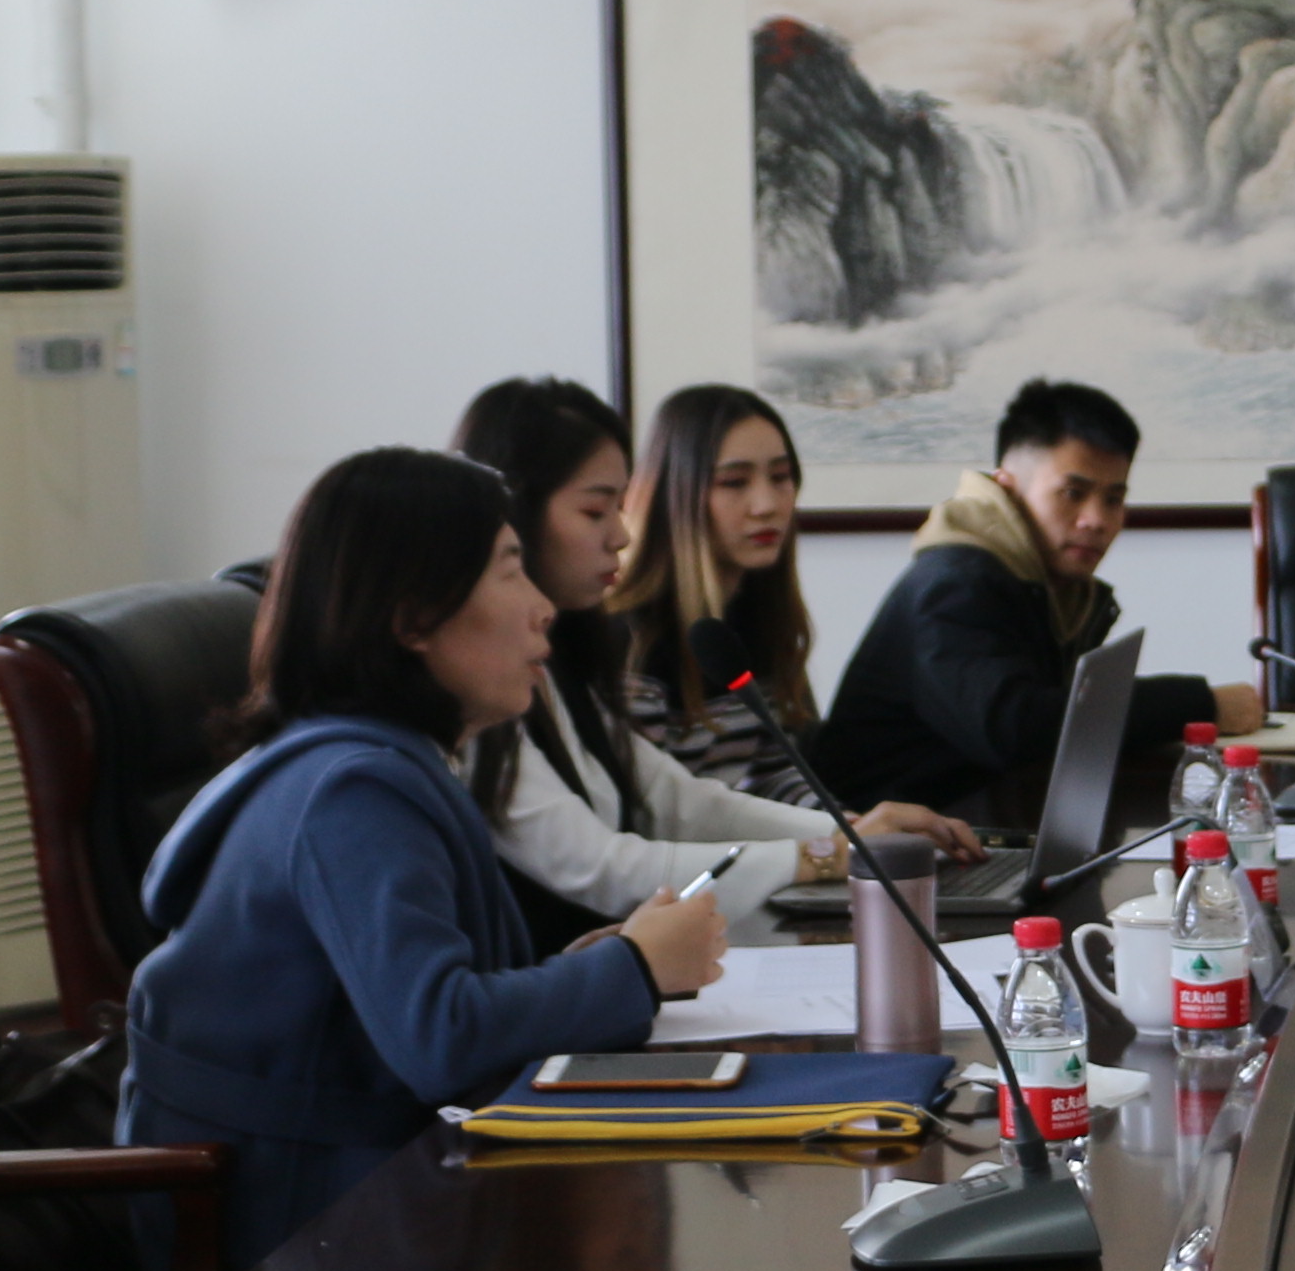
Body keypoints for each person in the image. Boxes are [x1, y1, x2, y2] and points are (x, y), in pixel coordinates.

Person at [123, 445, 721, 1254]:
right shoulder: (355, 792)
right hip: (303, 1228)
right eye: (510, 571)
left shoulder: (370, 761)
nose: (542, 607)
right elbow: (441, 1039)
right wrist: (636, 969)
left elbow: (420, 1006)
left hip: (352, 1182)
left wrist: (597, 965)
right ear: (411, 621)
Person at [446, 377, 973, 923]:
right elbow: (602, 866)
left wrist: (850, 835)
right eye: (596, 511)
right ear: (517, 519)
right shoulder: (485, 692)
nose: (620, 536)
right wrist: (831, 853)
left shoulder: (567, 663)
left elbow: (678, 799)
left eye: (781, 478)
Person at [815, 379, 1253, 816]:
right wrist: (1200, 705)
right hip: (881, 843)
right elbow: (1015, 730)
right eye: (1073, 494)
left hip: (968, 821)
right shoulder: (957, 582)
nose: (1096, 520)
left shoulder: (1046, 585)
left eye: (1113, 499)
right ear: (1007, 489)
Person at [614, 381, 827, 804]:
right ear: (675, 495)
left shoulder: (762, 618)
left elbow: (775, 776)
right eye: (734, 482)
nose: (766, 504)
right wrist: (821, 836)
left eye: (781, 477)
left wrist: (854, 828)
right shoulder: (630, 636)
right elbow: (653, 813)